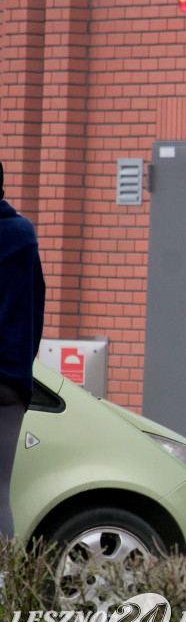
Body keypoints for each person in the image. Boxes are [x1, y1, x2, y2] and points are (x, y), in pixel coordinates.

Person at [0, 160, 46, 540]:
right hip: (9, 382)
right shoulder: (22, 233)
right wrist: (21, 365)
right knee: (0, 494)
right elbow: (36, 307)